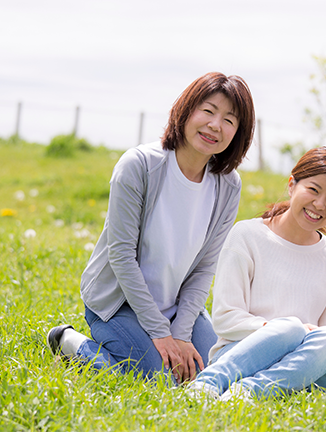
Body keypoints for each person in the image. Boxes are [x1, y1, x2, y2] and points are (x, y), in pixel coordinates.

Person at [46, 72, 255, 385]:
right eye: (208, 111)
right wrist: (160, 334)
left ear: (238, 133)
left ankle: (163, 343)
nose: (215, 125)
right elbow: (121, 256)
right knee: (161, 381)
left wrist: (181, 334)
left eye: (229, 119)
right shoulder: (140, 165)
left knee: (213, 377)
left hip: (177, 307)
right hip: (119, 303)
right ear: (186, 110)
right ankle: (69, 341)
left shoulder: (228, 185)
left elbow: (204, 268)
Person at [187, 146, 326, 401]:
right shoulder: (247, 235)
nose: (320, 204)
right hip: (240, 357)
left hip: (301, 368)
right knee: (289, 328)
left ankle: (247, 392)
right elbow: (224, 319)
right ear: (292, 185)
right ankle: (210, 383)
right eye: (313, 189)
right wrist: (284, 329)